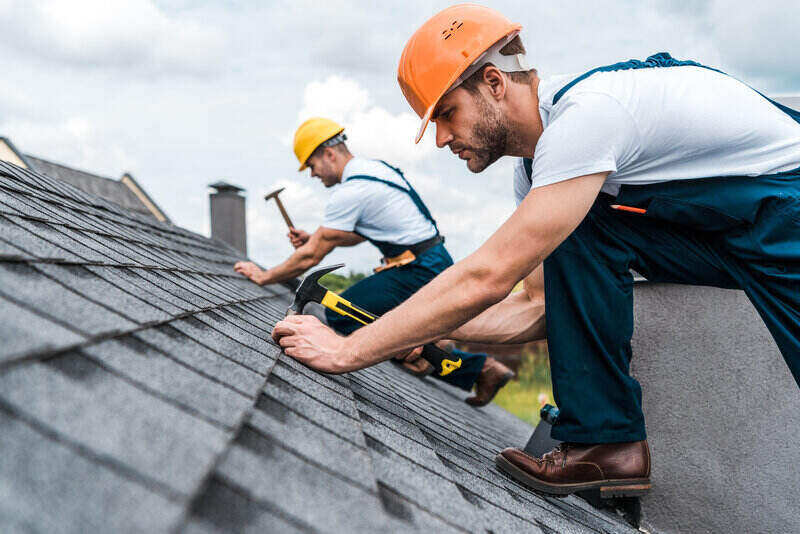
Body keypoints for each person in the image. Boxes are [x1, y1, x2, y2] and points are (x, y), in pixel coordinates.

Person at [271, 4, 800, 497]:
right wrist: (421, 328)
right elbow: (538, 307)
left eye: (448, 114)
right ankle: (607, 442)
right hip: (729, 229)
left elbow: (488, 276)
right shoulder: (543, 175)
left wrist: (349, 350)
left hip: (786, 209)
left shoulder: (587, 119)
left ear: (494, 83)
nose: (440, 139)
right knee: (584, 227)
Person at [234, 117, 515, 406]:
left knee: (342, 313)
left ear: (329, 154)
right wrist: (315, 238)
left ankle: (439, 356)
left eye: (312, 166)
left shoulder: (352, 190)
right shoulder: (375, 171)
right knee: (381, 319)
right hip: (428, 261)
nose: (313, 175)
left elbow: (311, 255)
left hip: (417, 268)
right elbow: (354, 235)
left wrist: (264, 276)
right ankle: (465, 363)